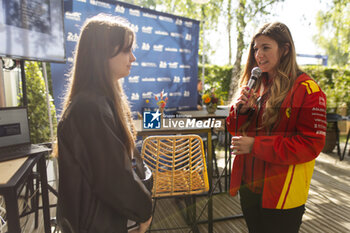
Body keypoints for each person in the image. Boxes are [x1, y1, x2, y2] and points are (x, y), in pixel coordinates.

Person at [56, 14, 152, 233]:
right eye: (127, 50)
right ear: (103, 53)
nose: (133, 58)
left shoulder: (97, 103)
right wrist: (145, 210)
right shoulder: (90, 108)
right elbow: (114, 177)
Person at [226, 22, 327, 233]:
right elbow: (233, 128)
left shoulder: (308, 90)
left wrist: (255, 145)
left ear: (285, 49)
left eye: (265, 47)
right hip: (249, 188)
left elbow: (310, 145)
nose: (258, 54)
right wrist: (242, 111)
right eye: (255, 49)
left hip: (283, 195)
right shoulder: (256, 84)